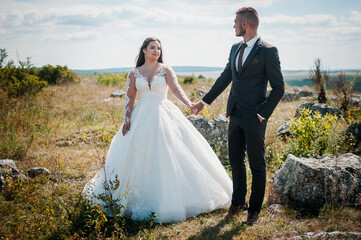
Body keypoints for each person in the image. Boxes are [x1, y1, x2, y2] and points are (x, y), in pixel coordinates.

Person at [82, 37, 232, 223]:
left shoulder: (166, 69)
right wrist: (126, 120)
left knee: (172, 151)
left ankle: (177, 198)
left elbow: (176, 89)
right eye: (152, 48)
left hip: (164, 113)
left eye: (158, 48)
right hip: (141, 116)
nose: (156, 51)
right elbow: (129, 98)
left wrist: (189, 104)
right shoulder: (134, 73)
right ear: (144, 50)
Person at [191, 7, 284, 224]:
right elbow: (226, 77)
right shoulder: (234, 48)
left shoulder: (268, 51)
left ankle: (254, 210)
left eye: (235, 22)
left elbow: (279, 88)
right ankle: (238, 202)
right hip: (234, 114)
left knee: (257, 164)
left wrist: (262, 114)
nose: (233, 25)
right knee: (235, 160)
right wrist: (204, 102)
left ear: (245, 24)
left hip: (255, 117)